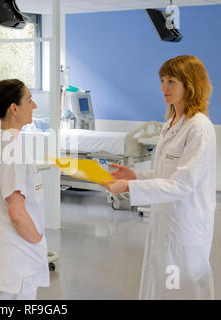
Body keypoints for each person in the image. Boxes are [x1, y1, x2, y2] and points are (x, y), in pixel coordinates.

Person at [104, 55, 216, 300]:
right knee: (163, 282)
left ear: (191, 84)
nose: (163, 87)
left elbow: (182, 184)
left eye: (171, 81)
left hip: (185, 226)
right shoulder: (172, 122)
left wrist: (130, 187)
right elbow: (165, 173)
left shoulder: (199, 128)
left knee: (178, 287)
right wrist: (136, 175)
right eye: (162, 80)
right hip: (165, 221)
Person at [0, 79, 49, 300]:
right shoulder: (11, 149)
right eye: (29, 100)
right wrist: (38, 241)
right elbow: (17, 213)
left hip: (5, 248)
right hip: (18, 253)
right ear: (14, 108)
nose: (34, 106)